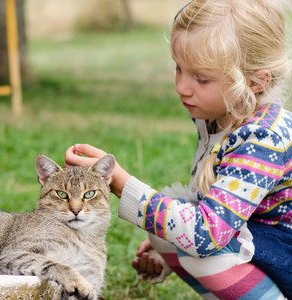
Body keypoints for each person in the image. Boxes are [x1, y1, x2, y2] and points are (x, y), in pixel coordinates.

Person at [64, 0, 292, 299]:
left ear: (255, 82)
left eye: (201, 78)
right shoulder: (221, 116)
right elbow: (212, 203)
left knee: (198, 239)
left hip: (284, 253)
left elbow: (209, 233)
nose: (182, 86)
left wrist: (123, 184)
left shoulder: (265, 138)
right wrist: (168, 252)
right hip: (266, 244)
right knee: (167, 229)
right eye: (179, 68)